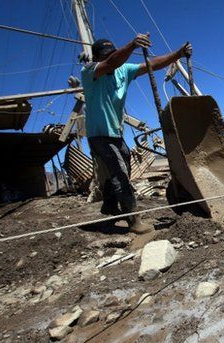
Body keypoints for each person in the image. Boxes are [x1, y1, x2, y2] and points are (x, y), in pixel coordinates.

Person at [81, 34, 192, 234]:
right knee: (120, 173)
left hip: (115, 132)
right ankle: (134, 221)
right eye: (107, 56)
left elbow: (152, 64)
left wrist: (178, 54)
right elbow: (112, 62)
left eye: (113, 53)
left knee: (123, 165)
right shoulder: (90, 71)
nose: (112, 58)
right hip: (99, 133)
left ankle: (109, 205)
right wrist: (132, 44)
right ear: (98, 59)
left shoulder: (123, 69)